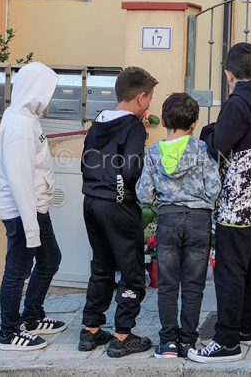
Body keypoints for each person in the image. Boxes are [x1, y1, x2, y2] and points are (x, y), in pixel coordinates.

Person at [189, 42, 251, 363]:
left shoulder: (236, 105)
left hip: (235, 202)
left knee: (231, 270)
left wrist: (209, 133)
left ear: (229, 74)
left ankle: (227, 340)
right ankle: (248, 327)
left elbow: (219, 148)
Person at [79, 66, 158, 358]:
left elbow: (86, 163)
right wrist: (124, 196)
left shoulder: (98, 122)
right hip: (117, 204)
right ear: (140, 98)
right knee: (131, 270)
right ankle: (123, 334)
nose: (149, 105)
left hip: (91, 200)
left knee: (101, 265)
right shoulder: (133, 126)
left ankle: (91, 329)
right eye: (149, 98)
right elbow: (130, 168)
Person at [136, 93, 221, 359]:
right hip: (198, 222)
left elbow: (143, 194)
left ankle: (167, 343)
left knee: (169, 285)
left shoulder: (152, 154)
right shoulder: (202, 150)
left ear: (163, 120)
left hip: (168, 221)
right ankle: (187, 342)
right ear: (195, 123)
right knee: (194, 285)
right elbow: (215, 189)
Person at [0, 62, 68, 351]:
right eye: (48, 90)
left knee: (50, 260)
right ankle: (9, 332)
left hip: (35, 209)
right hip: (23, 212)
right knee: (17, 269)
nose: (51, 96)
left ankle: (32, 316)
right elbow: (20, 181)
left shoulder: (27, 118)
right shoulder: (19, 127)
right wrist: (30, 227)